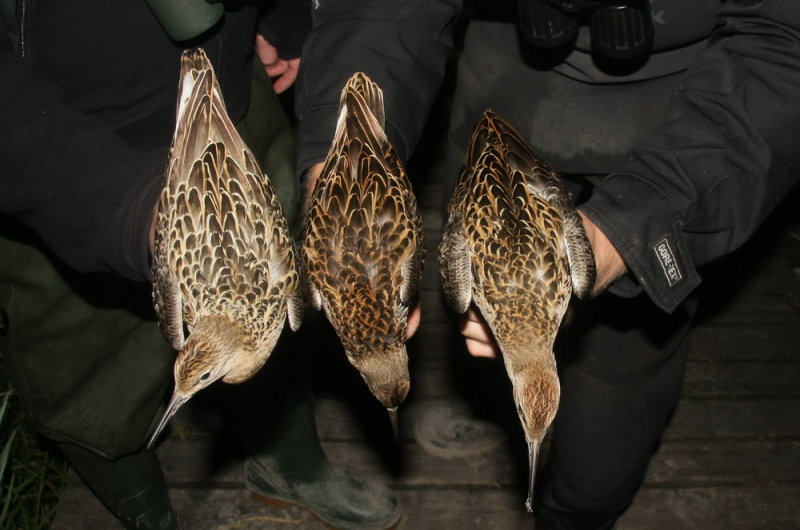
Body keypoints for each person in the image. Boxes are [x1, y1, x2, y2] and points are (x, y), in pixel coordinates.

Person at [293, 0, 800, 528]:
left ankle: (578, 509)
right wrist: (339, 160)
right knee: (477, 333)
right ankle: (502, 409)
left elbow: (787, 44)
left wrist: (630, 232)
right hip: (504, 74)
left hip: (678, 114)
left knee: (605, 427)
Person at [0, 1, 456, 528]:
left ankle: (288, 466)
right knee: (87, 388)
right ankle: (147, 514)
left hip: (234, 90)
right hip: (65, 158)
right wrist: (125, 209)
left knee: (284, 331)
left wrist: (276, 16)